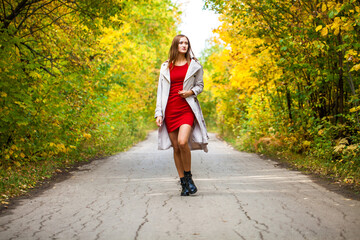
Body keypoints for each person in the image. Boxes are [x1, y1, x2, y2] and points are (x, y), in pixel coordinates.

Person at [155, 34, 209, 196]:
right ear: (175, 46)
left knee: (182, 141)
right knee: (176, 147)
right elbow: (160, 92)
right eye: (181, 43)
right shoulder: (166, 66)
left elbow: (200, 85)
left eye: (186, 43)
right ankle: (183, 183)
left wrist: (191, 91)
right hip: (169, 109)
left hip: (187, 108)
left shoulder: (194, 65)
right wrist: (159, 113)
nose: (184, 45)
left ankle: (189, 177)